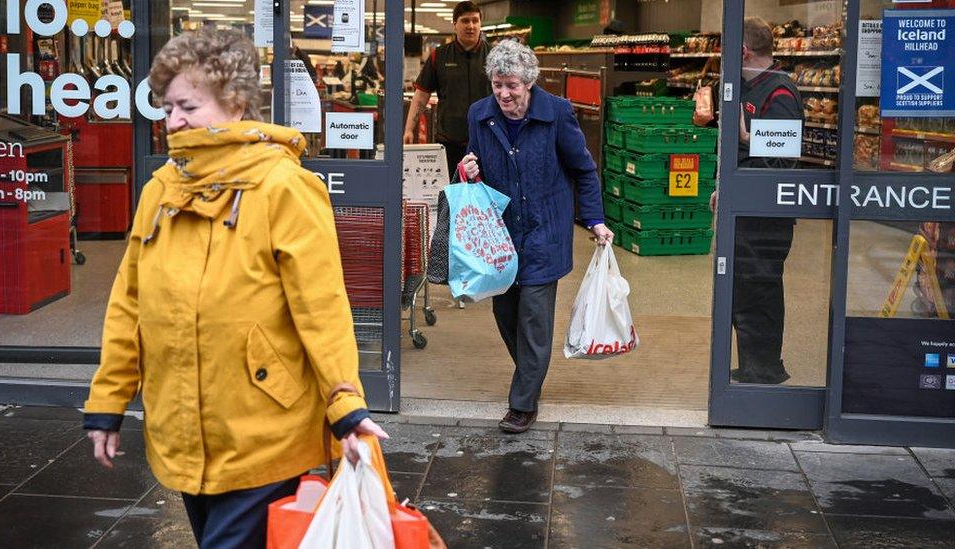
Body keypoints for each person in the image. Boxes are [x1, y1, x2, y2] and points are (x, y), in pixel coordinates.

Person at [82, 29, 387, 549]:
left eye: (188, 106)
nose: (173, 120)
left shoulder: (284, 188)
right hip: (182, 430)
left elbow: (322, 307)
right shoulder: (161, 189)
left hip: (265, 436)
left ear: (237, 103)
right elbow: (129, 302)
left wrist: (346, 404)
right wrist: (109, 399)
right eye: (168, 106)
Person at [460, 40, 614, 433]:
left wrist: (595, 220)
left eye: (511, 85)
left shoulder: (557, 114)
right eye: (497, 84)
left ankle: (522, 403)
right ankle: (531, 375)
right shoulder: (480, 115)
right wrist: (469, 168)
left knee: (533, 318)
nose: (504, 93)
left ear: (529, 82)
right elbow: (473, 165)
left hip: (545, 230)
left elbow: (583, 170)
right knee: (506, 314)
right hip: (501, 235)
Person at [713, 17, 804, 384]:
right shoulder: (746, 87)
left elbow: (785, 157)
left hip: (766, 217)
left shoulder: (779, 93)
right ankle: (753, 366)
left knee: (760, 292)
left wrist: (746, 137)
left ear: (743, 51)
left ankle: (766, 371)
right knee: (745, 292)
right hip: (744, 210)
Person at [404, 1, 491, 180]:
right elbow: (421, 95)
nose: (471, 26)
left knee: (486, 197)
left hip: (488, 141)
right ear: (455, 24)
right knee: (453, 195)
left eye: (475, 21)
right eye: (465, 21)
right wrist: (409, 129)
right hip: (450, 142)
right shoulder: (439, 55)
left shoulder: (494, 56)